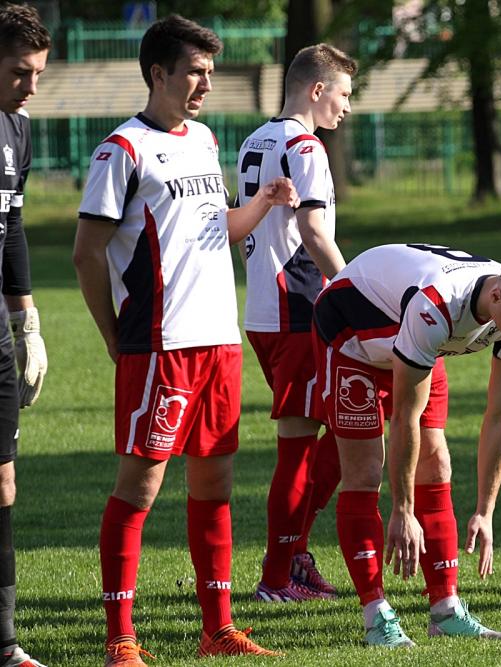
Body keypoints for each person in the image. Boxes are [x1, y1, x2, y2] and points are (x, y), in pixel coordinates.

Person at [72, 15, 300, 665]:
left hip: (217, 341)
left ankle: (218, 630)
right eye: (195, 72)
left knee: (215, 485)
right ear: (158, 73)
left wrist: (263, 204)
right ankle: (120, 638)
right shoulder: (122, 150)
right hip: (161, 343)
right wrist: (115, 335)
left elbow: (214, 226)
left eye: (210, 72)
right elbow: (87, 253)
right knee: (139, 488)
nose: (206, 84)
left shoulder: (202, 139)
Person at [311, 244, 501, 647]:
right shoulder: (436, 306)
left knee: (438, 462)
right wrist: (403, 509)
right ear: (497, 295)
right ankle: (376, 616)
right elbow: (404, 417)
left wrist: (485, 510)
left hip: (417, 341)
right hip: (353, 335)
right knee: (365, 470)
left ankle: (445, 611)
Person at [237, 43, 355, 603]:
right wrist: (356, 291)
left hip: (266, 310)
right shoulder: (306, 146)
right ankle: (277, 575)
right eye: (343, 94)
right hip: (299, 310)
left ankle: (296, 555)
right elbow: (313, 232)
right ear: (317, 89)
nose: (346, 107)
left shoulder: (255, 139)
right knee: (302, 448)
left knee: (346, 424)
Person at [0, 6, 50, 666]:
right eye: (19, 72)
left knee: (4, 482)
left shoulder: (19, 129)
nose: (30, 86)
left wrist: (26, 322)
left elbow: (11, 229)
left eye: (37, 73)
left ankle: (4, 643)